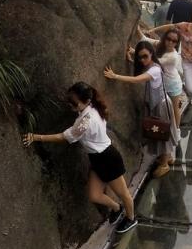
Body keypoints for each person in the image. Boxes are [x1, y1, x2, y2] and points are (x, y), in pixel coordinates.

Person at [22, 82, 137, 234]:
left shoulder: (86, 121)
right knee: (94, 195)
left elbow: (63, 136)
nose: (70, 105)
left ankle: (131, 219)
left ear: (87, 101)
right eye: (69, 100)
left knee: (123, 194)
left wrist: (36, 137)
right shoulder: (93, 107)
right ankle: (117, 208)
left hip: (108, 159)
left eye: (74, 103)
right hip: (98, 158)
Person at [104, 41, 176, 178]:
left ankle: (164, 164)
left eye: (145, 56)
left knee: (162, 134)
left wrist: (115, 76)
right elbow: (143, 69)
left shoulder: (154, 69)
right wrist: (132, 53)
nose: (142, 60)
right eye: (140, 57)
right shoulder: (151, 65)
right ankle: (168, 157)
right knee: (162, 132)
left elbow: (137, 79)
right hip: (158, 104)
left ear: (151, 55)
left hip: (160, 106)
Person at [149, 10, 192, 118]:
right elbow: (169, 26)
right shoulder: (184, 26)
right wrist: (153, 30)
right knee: (189, 87)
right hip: (187, 62)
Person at [155, 29, 184, 124]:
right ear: (164, 38)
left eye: (174, 41)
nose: (170, 42)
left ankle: (177, 132)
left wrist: (135, 53)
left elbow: (154, 62)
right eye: (168, 39)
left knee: (175, 109)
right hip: (162, 84)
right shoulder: (161, 47)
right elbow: (147, 40)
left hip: (173, 85)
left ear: (177, 43)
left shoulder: (173, 56)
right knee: (164, 108)